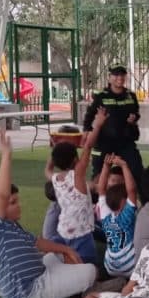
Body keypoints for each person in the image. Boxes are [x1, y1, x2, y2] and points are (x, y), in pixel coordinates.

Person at [0, 129, 97, 298]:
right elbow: (1, 196)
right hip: (29, 291)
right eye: (12, 202)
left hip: (41, 270)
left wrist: (66, 250)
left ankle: (73, 282)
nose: (19, 205)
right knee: (90, 271)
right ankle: (87, 291)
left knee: (59, 256)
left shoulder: (10, 226)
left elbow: (37, 243)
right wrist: (6, 155)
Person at [45, 110, 107, 264]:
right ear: (75, 159)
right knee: (89, 266)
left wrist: (56, 147)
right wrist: (97, 125)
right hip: (81, 235)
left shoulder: (55, 179)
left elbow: (48, 168)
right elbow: (88, 147)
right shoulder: (77, 176)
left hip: (62, 231)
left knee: (67, 262)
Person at [83, 64, 144, 193]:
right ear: (109, 78)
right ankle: (95, 205)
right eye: (116, 75)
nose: (119, 78)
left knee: (137, 171)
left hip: (125, 142)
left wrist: (133, 118)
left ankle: (145, 204)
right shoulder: (101, 96)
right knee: (99, 176)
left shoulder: (131, 96)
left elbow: (136, 113)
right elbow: (89, 114)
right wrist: (87, 130)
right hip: (104, 143)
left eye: (122, 75)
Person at [96, 153, 139, 278]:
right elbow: (132, 190)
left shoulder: (105, 217)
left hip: (110, 266)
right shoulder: (127, 217)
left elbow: (102, 189)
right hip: (130, 267)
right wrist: (124, 165)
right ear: (124, 201)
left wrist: (106, 166)